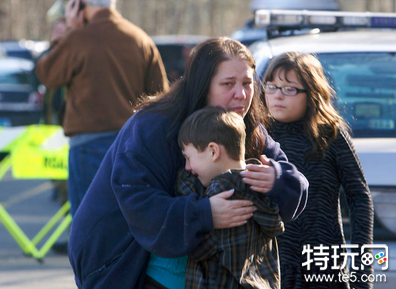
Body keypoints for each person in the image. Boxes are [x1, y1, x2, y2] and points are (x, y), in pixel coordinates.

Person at [68, 37, 308, 288]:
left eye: (247, 83)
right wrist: (205, 214)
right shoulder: (153, 126)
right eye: (228, 84)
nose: (242, 94)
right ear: (203, 86)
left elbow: (297, 186)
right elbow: (139, 202)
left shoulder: (244, 125)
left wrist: (278, 179)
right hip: (116, 260)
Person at [35, 0, 169, 217]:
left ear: (80, 5)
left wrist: (67, 32)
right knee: (127, 222)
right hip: (133, 146)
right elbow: (161, 99)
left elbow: (47, 74)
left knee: (88, 226)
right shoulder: (140, 39)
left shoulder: (78, 38)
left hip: (88, 146)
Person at [262, 52, 373, 289]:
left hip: (324, 266)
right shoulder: (258, 136)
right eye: (271, 87)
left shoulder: (330, 135)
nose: (277, 96)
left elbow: (360, 198)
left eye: (289, 89)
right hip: (272, 266)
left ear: (312, 94)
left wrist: (362, 273)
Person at [144, 106, 284, 289]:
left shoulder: (223, 190)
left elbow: (197, 249)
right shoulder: (258, 183)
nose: (187, 167)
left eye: (188, 157)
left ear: (213, 151)